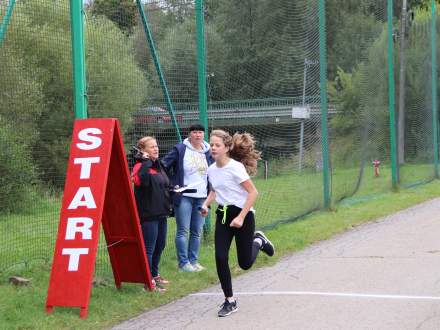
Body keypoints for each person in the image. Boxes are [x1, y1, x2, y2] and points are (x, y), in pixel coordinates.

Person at [199, 129, 275, 317]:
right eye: (212, 144)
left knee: (245, 263)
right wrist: (206, 204)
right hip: (224, 216)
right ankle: (230, 301)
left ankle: (258, 240)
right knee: (220, 257)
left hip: (243, 216)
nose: (213, 148)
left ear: (227, 147)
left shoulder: (235, 168)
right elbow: (215, 191)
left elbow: (253, 193)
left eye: (217, 145)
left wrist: (241, 217)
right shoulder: (211, 169)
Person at [162, 124, 214, 272]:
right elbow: (164, 165)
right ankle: (183, 263)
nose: (197, 135)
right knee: (183, 230)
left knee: (197, 231)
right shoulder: (180, 149)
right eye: (195, 132)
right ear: (190, 134)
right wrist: (172, 185)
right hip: (184, 196)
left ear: (203, 134)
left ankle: (194, 261)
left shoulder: (208, 152)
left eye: (200, 132)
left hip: (202, 197)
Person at [132, 136, 171, 291]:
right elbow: (142, 181)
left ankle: (154, 275)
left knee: (160, 245)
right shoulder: (140, 166)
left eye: (156, 146)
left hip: (162, 213)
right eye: (151, 147)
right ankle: (147, 283)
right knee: (149, 248)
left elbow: (164, 184)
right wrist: (146, 161)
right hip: (148, 215)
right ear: (143, 151)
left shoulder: (158, 165)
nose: (156, 149)